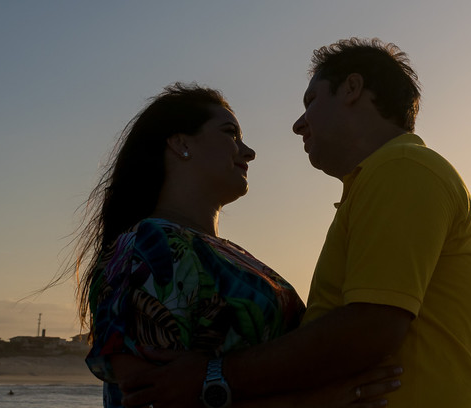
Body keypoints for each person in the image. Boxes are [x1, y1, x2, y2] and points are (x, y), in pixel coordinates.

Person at [119, 39, 471, 408]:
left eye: (310, 101)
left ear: (352, 88)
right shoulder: (381, 180)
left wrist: (214, 377)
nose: (298, 125)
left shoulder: (402, 168)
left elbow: (371, 327)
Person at [74, 83, 401, 408]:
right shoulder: (149, 245)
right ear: (181, 143)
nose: (249, 152)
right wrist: (313, 402)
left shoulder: (227, 253)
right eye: (231, 133)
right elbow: (146, 398)